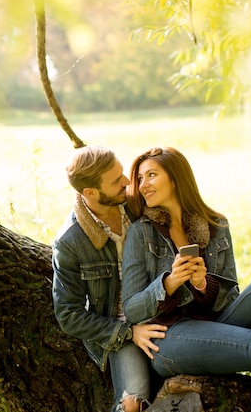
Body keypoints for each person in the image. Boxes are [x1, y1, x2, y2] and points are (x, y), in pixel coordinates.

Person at [121, 146, 251, 406]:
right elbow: (132, 308)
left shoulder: (216, 225)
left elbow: (231, 299)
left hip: (218, 325)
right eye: (139, 179)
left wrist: (203, 285)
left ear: (176, 178)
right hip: (169, 339)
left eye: (151, 175)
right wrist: (169, 283)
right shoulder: (141, 233)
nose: (142, 185)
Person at [52, 145, 168, 412]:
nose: (128, 182)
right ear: (90, 193)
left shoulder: (137, 205)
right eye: (116, 181)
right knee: (132, 403)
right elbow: (68, 315)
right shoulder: (69, 242)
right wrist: (129, 333)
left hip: (160, 309)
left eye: (122, 173)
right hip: (120, 327)